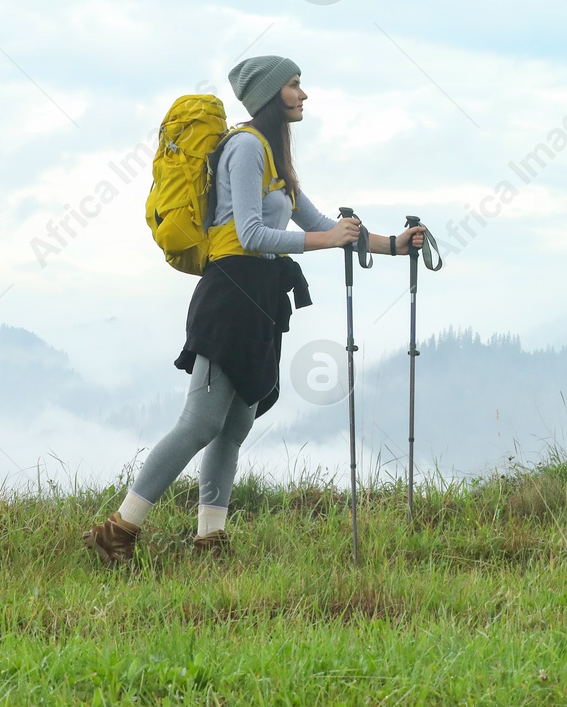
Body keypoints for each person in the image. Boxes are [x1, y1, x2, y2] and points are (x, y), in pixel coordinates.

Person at [84, 55, 426, 563]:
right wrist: (324, 240)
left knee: (235, 426)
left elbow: (319, 222)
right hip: (230, 293)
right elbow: (250, 233)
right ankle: (117, 532)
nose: (303, 95)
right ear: (270, 95)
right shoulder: (245, 148)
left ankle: (210, 539)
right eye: (294, 86)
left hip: (262, 295)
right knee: (200, 422)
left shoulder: (274, 154)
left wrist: (393, 245)